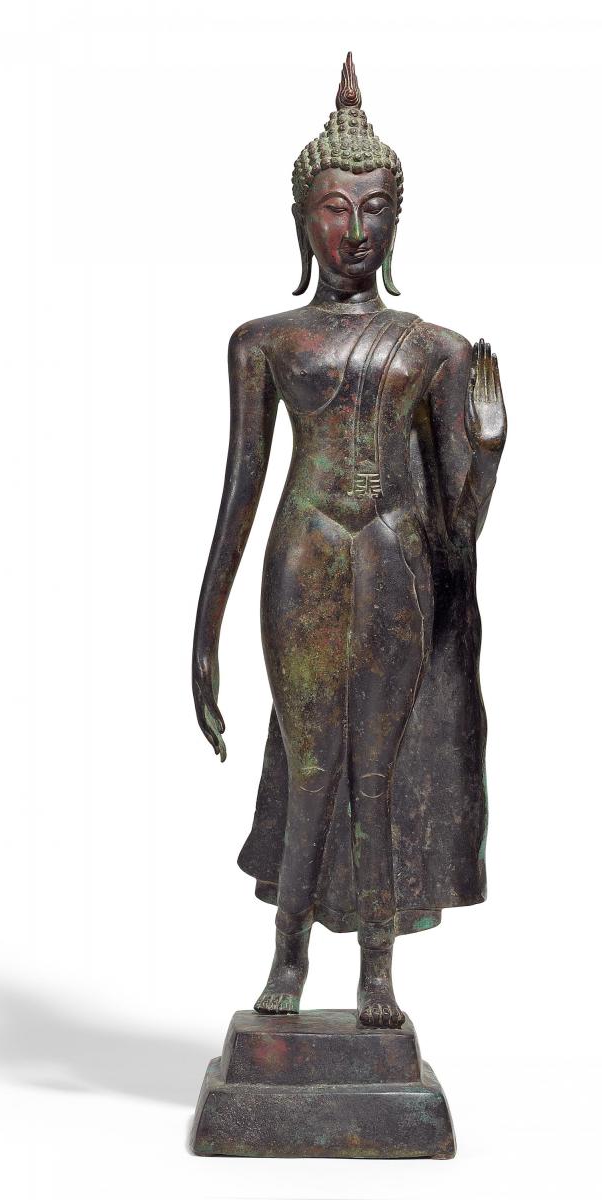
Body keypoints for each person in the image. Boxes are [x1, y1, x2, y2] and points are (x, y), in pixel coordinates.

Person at [192, 54, 506, 1027]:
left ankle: (376, 973)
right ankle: (287, 956)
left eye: (373, 209)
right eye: (334, 208)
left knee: (381, 769)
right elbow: (240, 488)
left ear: (397, 219)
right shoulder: (265, 342)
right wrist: (201, 633)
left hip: (397, 563)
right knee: (310, 764)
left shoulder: (434, 350)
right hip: (304, 557)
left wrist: (489, 449)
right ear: (302, 217)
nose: (355, 230)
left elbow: (456, 528)